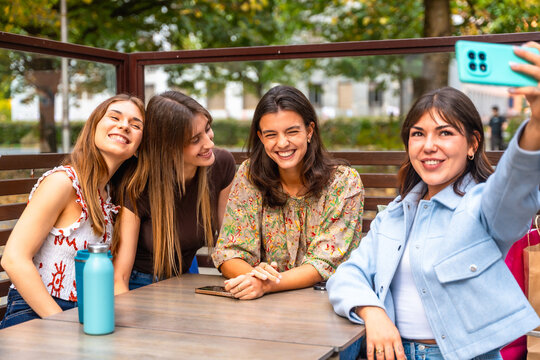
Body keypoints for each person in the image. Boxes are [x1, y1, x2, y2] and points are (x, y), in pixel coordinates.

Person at [328, 63, 540, 360]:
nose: (429, 146)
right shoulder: (394, 214)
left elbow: (514, 186)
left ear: (473, 144)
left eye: (444, 133)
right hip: (390, 352)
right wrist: (372, 312)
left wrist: (536, 125)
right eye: (418, 134)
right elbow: (347, 275)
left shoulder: (482, 206)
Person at [0, 94, 145, 328]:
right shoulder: (63, 182)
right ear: (93, 128)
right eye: (114, 117)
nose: (124, 125)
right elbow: (14, 259)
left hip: (88, 312)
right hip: (36, 311)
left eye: (135, 125)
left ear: (138, 148)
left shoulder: (110, 196)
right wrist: (61, 324)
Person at [212, 85, 364, 300]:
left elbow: (325, 262)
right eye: (271, 134)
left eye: (292, 131)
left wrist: (266, 285)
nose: (282, 143)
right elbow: (230, 253)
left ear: (309, 131)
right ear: (260, 137)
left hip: (327, 302)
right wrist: (255, 280)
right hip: (262, 305)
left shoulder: (343, 182)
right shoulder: (250, 175)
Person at [113, 90, 235, 293]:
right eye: (196, 140)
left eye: (208, 129)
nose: (209, 143)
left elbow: (229, 242)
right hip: (141, 283)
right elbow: (120, 277)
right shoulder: (139, 184)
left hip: (185, 276)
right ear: (168, 148)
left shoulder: (222, 165)